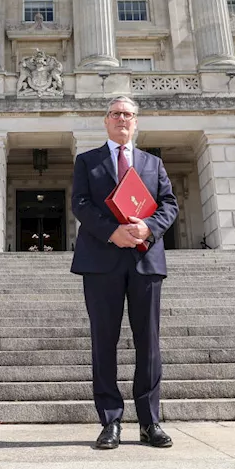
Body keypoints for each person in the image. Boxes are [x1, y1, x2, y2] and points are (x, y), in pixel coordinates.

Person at [70, 95, 179, 450]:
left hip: (145, 259)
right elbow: (80, 203)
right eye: (116, 113)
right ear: (106, 120)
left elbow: (169, 205)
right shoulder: (87, 161)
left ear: (136, 122)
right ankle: (110, 421)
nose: (122, 119)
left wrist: (148, 228)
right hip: (101, 260)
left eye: (128, 114)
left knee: (148, 342)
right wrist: (110, 231)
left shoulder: (153, 162)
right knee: (105, 341)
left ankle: (150, 422)